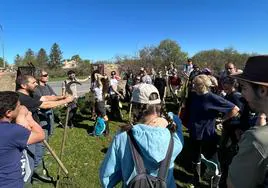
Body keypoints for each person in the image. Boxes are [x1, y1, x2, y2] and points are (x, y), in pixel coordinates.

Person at [99, 83, 184, 188]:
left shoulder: (123, 137)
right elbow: (175, 120)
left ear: (136, 108)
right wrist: (166, 119)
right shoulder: (174, 135)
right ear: (159, 105)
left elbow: (107, 178)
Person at [16, 74, 73, 184]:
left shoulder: (29, 94)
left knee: (39, 152)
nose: (36, 84)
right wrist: (65, 101)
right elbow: (45, 105)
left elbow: (46, 98)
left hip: (35, 129)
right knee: (29, 158)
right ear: (23, 85)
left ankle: (35, 173)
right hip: (27, 133)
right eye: (33, 82)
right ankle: (27, 180)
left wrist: (62, 97)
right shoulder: (21, 98)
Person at [187, 74, 239, 187]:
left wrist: (222, 120)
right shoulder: (193, 95)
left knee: (213, 162)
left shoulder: (212, 98)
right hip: (194, 133)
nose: (193, 86)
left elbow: (235, 109)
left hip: (208, 135)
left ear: (204, 86)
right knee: (195, 158)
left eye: (196, 84)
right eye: (194, 83)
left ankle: (215, 184)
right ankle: (196, 180)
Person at [227, 55, 268, 188]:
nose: (242, 94)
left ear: (262, 90)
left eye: (244, 88)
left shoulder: (257, 140)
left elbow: (233, 185)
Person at [0, 91, 45, 188]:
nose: (21, 108)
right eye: (19, 106)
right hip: (9, 183)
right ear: (8, 113)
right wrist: (26, 116)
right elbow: (40, 135)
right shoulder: (12, 131)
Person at [34, 70, 57, 137]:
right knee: (44, 131)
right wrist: (51, 98)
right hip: (42, 113)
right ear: (39, 77)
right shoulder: (36, 88)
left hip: (50, 110)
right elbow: (42, 100)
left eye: (47, 74)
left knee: (51, 129)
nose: (48, 76)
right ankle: (42, 146)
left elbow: (54, 96)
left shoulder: (47, 86)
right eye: (45, 75)